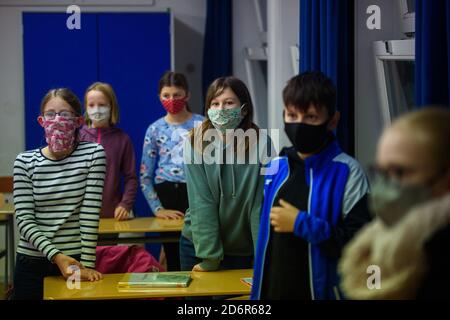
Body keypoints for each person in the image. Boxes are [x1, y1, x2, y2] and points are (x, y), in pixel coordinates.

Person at [251, 71, 372, 300]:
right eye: (292, 115)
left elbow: (362, 245)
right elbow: (265, 241)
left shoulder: (348, 171)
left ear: (332, 120)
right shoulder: (276, 166)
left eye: (311, 117)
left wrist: (301, 223)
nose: (299, 124)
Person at [339, 107, 450, 299]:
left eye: (399, 172)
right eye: (381, 172)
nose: (384, 187)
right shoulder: (378, 239)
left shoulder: (438, 256)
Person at [11, 88, 106, 300]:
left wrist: (87, 266)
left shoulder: (93, 154)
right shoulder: (24, 162)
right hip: (32, 261)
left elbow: (89, 214)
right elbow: (24, 220)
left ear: (79, 121)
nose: (57, 120)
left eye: (64, 114)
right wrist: (56, 256)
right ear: (41, 120)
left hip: (75, 262)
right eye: (50, 114)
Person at [180, 76, 269, 273]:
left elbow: (260, 204)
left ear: (244, 109)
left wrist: (263, 256)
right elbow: (201, 201)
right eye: (215, 103)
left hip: (245, 248)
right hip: (199, 245)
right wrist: (210, 258)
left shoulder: (264, 143)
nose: (221, 109)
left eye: (229, 103)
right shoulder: (194, 142)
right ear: (208, 109)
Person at [140, 71, 204, 271]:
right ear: (159, 96)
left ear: (187, 95)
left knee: (199, 251)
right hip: (166, 194)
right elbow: (145, 176)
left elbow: (213, 168)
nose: (172, 100)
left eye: (177, 95)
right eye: (166, 95)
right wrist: (158, 209)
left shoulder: (202, 125)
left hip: (196, 193)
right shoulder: (154, 129)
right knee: (173, 255)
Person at [80, 82, 138, 220]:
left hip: (113, 215)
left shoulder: (122, 139)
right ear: (86, 108)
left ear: (111, 106)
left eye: (102, 105)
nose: (97, 110)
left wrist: (125, 204)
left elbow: (131, 178)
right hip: (81, 217)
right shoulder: (78, 138)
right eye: (91, 105)